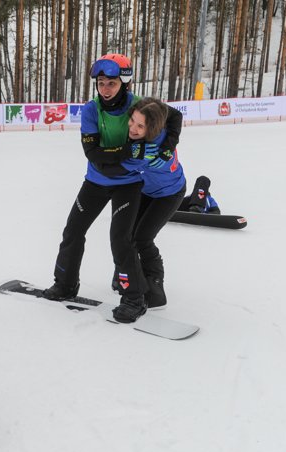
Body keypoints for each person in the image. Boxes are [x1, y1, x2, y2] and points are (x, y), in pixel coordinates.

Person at [43, 54, 178, 323]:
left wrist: (169, 143)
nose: (105, 89)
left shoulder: (138, 105)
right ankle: (65, 284)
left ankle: (134, 299)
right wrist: (127, 152)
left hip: (129, 185)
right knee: (73, 231)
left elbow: (173, 116)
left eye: (111, 83)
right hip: (96, 180)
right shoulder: (92, 110)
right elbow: (93, 154)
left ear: (124, 83)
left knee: (120, 240)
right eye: (101, 83)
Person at [117, 98, 186, 308]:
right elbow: (174, 115)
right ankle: (129, 276)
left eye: (140, 126)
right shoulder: (146, 132)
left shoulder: (154, 146)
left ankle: (155, 286)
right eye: (132, 122)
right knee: (129, 234)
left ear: (153, 127)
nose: (133, 129)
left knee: (143, 237)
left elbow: (116, 161)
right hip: (147, 189)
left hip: (169, 193)